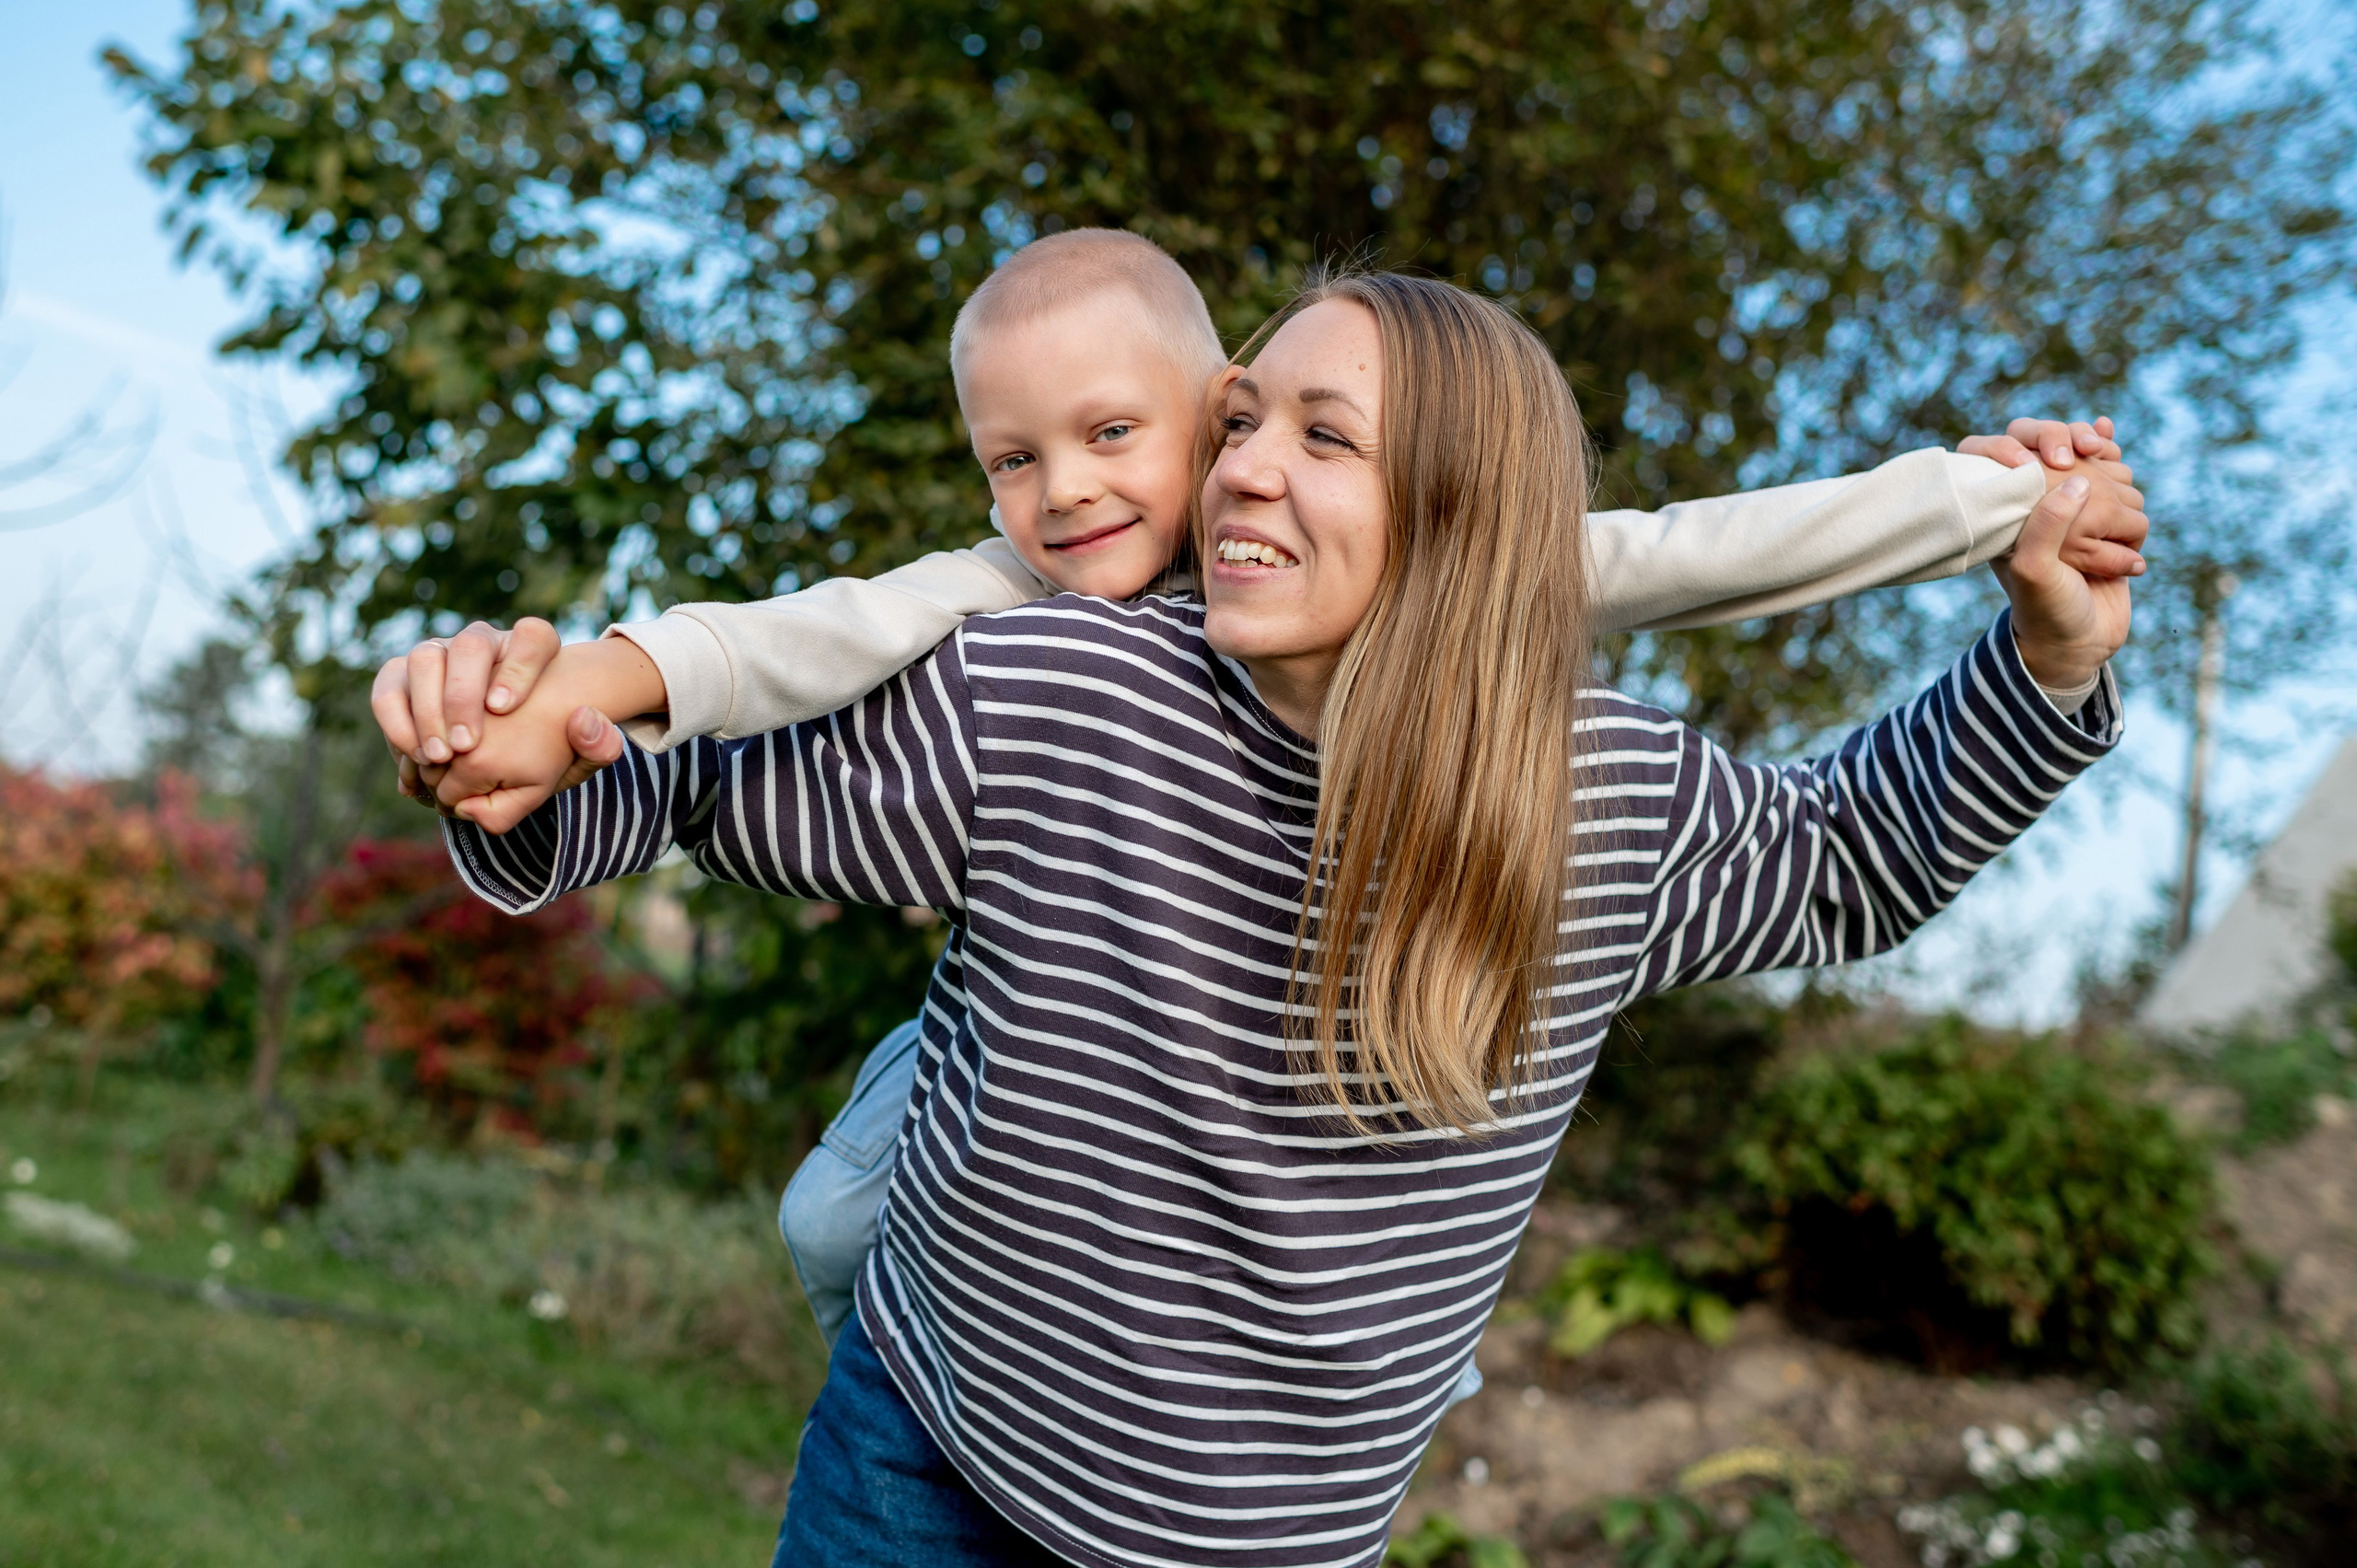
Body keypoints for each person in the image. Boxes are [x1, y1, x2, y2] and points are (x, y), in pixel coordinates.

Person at [422, 270, 2140, 1567]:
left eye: (1325, 437)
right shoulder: (1067, 689)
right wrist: (521, 756)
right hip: (927, 1471)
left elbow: (1852, 859)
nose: (1241, 468)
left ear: (1461, 511)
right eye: (1244, 420)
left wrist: (2049, 657)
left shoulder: (1604, 802)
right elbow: (716, 782)